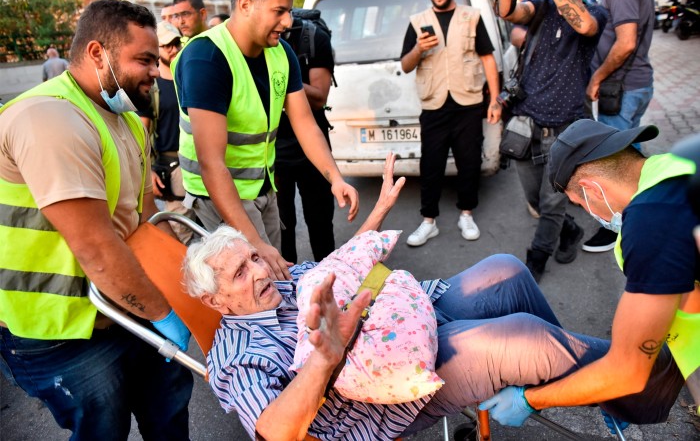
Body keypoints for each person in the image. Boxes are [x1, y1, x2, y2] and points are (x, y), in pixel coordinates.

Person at [182, 152, 682, 440]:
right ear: (216, 302)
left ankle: (602, 384)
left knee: (505, 271)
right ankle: (638, 388)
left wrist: (378, 213)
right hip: (389, 386)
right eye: (238, 274)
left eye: (252, 258)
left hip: (410, 315)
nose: (258, 272)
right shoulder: (235, 357)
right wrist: (323, 360)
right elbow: (275, 433)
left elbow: (349, 264)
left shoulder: (287, 282)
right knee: (520, 339)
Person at [0, 0, 193, 439]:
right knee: (101, 430)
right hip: (58, 330)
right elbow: (97, 248)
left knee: (168, 414)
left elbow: (143, 220)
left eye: (156, 58)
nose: (155, 69)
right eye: (143, 59)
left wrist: (181, 290)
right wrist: (165, 313)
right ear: (97, 53)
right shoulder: (47, 118)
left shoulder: (123, 119)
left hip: (125, 306)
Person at [481, 119, 696, 430]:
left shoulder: (651, 225)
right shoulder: (673, 169)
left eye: (579, 202)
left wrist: (530, 399)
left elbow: (626, 371)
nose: (586, 210)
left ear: (592, 188)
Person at [172, 0, 359, 282]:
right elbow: (211, 163)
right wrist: (255, 244)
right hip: (218, 199)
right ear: (245, 5)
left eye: (289, 11)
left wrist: (334, 177)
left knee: (275, 281)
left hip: (264, 191)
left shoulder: (281, 53)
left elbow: (305, 124)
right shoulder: (206, 57)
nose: (288, 21)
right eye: (279, 11)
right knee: (251, 288)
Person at [497, 0, 607, 281]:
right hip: (526, 126)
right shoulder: (541, 4)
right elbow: (509, 12)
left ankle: (536, 261)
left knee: (551, 201)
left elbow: (584, 25)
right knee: (535, 199)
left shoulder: (594, 10)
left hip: (566, 131)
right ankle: (570, 230)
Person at [400, 0, 502, 247]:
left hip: (468, 104)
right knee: (430, 166)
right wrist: (418, 49)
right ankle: (428, 221)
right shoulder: (417, 22)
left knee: (469, 163)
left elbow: (487, 58)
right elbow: (406, 65)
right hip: (434, 106)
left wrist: (494, 99)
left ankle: (466, 214)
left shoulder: (472, 16)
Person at [583, 0, 656, 253]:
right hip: (633, 86)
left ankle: (621, 228)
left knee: (617, 164)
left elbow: (625, 43)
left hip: (622, 89)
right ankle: (643, 215)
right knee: (632, 157)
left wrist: (596, 79)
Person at [275, 10, 336, 263]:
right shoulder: (253, 44)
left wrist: (282, 75)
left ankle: (331, 285)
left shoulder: (314, 37)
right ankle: (289, 292)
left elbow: (320, 98)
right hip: (274, 150)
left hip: (312, 145)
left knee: (321, 223)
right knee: (281, 228)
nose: (282, 23)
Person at [138, 21, 196, 244]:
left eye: (176, 43)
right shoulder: (152, 87)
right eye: (166, 45)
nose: (173, 49)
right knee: (180, 237)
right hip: (173, 169)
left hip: (200, 164)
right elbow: (141, 132)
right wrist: (147, 171)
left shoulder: (189, 77)